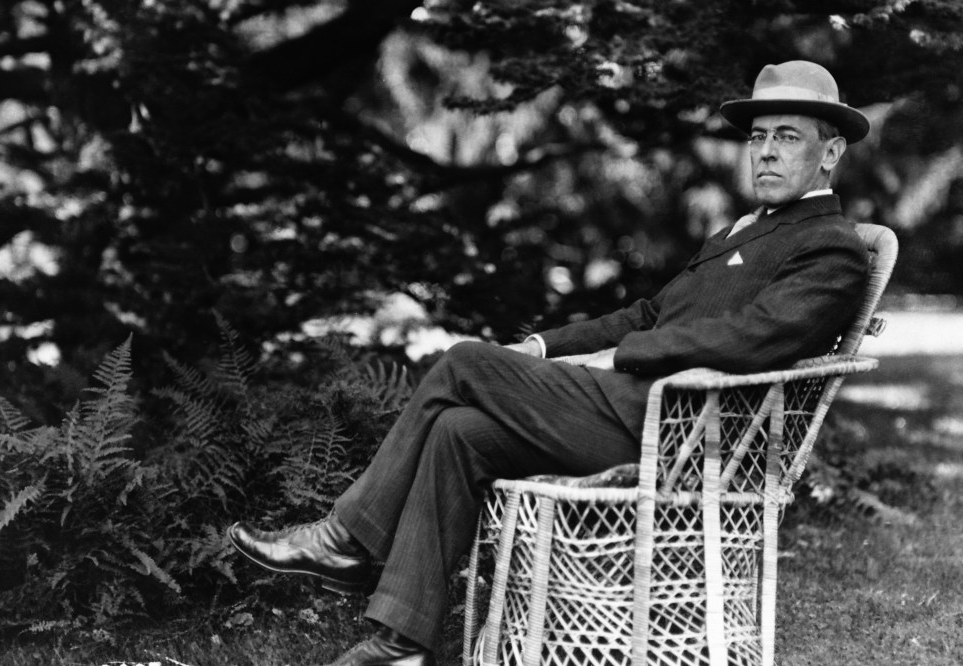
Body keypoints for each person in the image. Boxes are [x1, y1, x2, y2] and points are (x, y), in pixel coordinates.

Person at [228, 60, 871, 666]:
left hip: (683, 435)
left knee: (463, 363)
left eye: (788, 136)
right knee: (459, 433)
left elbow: (750, 340)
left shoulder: (830, 249)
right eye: (759, 136)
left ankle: (345, 539)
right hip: (631, 410)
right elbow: (647, 315)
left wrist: (617, 355)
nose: (765, 151)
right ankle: (401, 641)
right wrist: (544, 346)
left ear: (832, 151)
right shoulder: (741, 232)